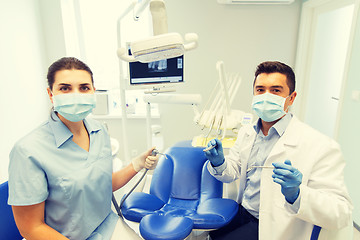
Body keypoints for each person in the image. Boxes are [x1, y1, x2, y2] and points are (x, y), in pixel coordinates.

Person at [8, 57, 158, 240]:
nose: (75, 95)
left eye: (84, 88)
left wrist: (137, 164)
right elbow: (31, 227)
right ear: (50, 93)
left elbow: (102, 185)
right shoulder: (28, 151)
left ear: (93, 91)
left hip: (107, 224)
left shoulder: (99, 130)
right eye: (65, 88)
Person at [204, 61, 353, 240]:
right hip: (242, 214)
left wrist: (297, 194)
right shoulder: (247, 132)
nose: (266, 96)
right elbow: (232, 172)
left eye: (276, 90)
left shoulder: (321, 146)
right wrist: (219, 162)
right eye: (260, 90)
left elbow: (340, 213)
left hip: (277, 228)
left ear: (291, 97)